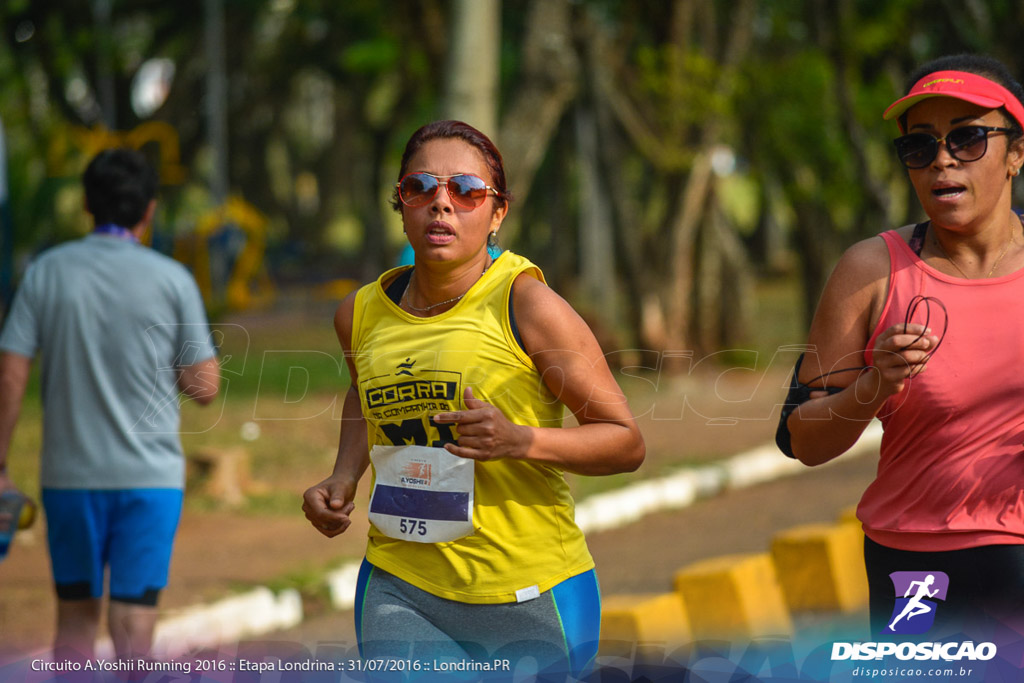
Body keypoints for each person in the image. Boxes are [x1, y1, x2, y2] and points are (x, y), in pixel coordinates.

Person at [303, 120, 644, 678]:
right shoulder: (360, 312)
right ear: (401, 203)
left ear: (497, 212)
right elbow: (365, 394)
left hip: (528, 593)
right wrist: (342, 475)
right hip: (401, 586)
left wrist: (520, 440)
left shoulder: (527, 304)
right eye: (422, 188)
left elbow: (625, 442)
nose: (443, 205)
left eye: (466, 191)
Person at [778, 54, 1024, 635]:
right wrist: (874, 385)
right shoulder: (871, 271)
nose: (942, 159)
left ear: (1016, 152)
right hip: (916, 569)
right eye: (920, 146)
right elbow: (801, 440)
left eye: (967, 139)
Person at [0, 148, 220, 661]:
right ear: (149, 209)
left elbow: (11, 371)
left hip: (69, 479)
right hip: (150, 482)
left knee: (75, 618)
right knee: (134, 624)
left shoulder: (46, 273)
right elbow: (205, 387)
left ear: (86, 205)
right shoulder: (173, 280)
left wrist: (2, 466)